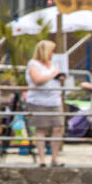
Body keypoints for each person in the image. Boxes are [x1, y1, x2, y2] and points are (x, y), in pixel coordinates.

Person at [23, 39, 65, 167]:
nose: (53, 54)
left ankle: (55, 158)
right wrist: (53, 74)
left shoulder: (53, 65)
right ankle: (42, 159)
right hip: (38, 101)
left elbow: (57, 78)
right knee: (41, 128)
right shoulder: (33, 64)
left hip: (54, 100)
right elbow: (37, 80)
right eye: (52, 51)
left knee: (58, 127)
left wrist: (61, 78)